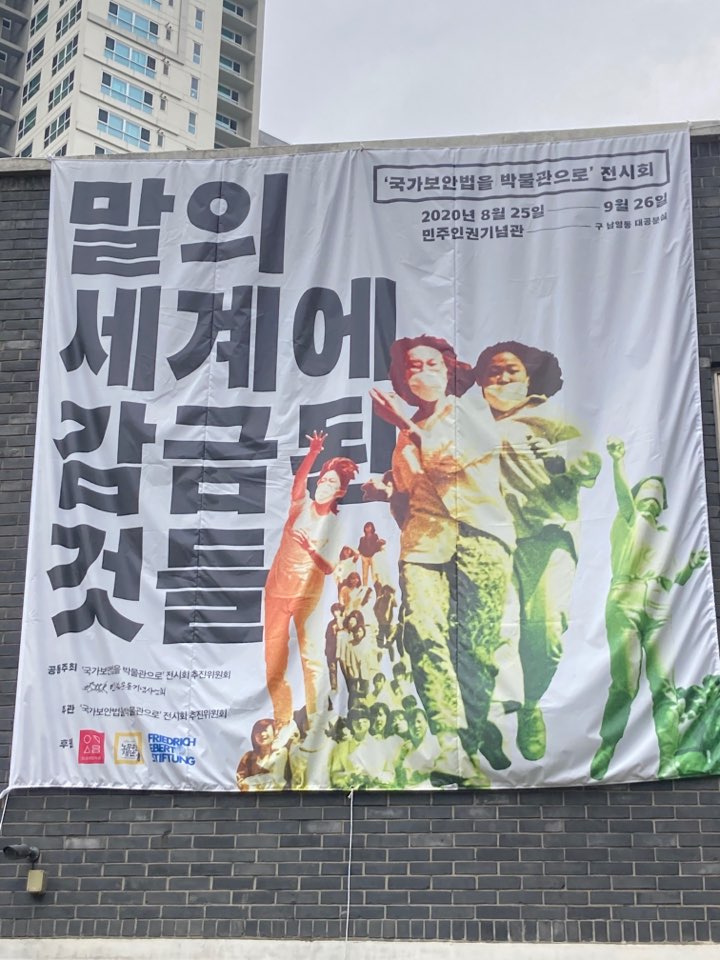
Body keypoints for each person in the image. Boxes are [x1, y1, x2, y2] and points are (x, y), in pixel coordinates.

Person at [372, 335, 514, 776]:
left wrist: (402, 422)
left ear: (449, 370)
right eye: (412, 367)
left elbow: (451, 461)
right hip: (424, 544)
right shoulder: (404, 434)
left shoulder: (470, 412)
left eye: (430, 364)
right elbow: (410, 493)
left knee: (477, 644)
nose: (421, 373)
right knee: (422, 632)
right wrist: (389, 492)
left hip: (479, 536)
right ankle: (450, 742)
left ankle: (479, 728)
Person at [475, 341, 601, 761]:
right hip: (495, 541)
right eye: (493, 371)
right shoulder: (468, 424)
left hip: (548, 535)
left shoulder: (549, 415)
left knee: (545, 631)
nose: (502, 377)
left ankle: (531, 705)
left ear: (528, 377)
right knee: (498, 629)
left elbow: (589, 460)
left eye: (511, 370)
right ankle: (498, 717)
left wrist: (565, 462)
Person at [590, 438, 708, 780]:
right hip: (625, 600)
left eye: (659, 491)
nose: (653, 494)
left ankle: (669, 756)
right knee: (625, 684)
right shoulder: (629, 520)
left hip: (658, 606)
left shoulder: (664, 534)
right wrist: (618, 460)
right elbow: (622, 494)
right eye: (649, 488)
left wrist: (690, 566)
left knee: (664, 685)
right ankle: (607, 746)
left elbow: (672, 579)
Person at [263, 430, 358, 731]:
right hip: (276, 591)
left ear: (340, 492)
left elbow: (329, 566)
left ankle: (316, 720)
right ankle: (282, 720)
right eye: (323, 479)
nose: (324, 485)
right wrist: (314, 453)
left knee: (310, 657)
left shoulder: (334, 523)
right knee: (274, 658)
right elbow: (298, 482)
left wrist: (309, 548)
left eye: (332, 483)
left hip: (308, 596)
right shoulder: (300, 507)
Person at [236, 719, 289, 791]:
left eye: (265, 730)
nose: (262, 734)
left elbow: (276, 777)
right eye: (258, 731)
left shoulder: (281, 752)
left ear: (274, 733)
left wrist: (248, 781)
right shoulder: (248, 756)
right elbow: (240, 780)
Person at [358, 522, 386, 586]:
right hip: (365, 557)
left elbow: (378, 544)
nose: (368, 529)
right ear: (364, 529)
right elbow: (359, 548)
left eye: (369, 527)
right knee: (365, 575)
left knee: (374, 574)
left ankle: (377, 587)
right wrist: (359, 554)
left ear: (372, 528)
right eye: (366, 527)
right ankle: (365, 588)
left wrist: (381, 543)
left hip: (373, 557)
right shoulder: (362, 539)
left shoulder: (375, 536)